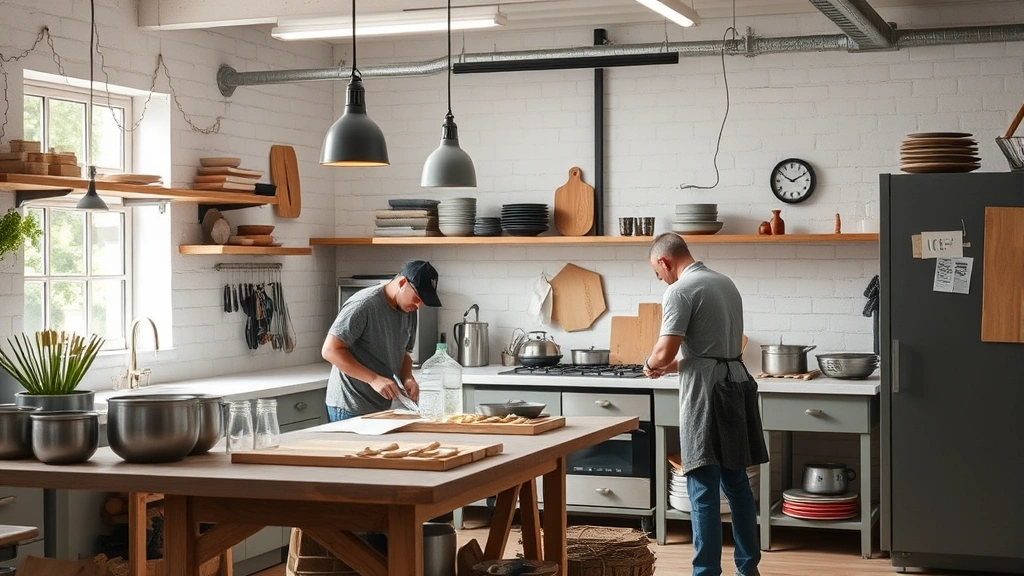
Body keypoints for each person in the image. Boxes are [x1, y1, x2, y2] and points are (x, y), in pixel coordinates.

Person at [642, 233, 769, 576]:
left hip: (706, 395)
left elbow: (664, 351)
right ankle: (748, 568)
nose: (660, 279)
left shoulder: (680, 290)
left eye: (657, 273)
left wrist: (652, 365)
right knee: (737, 482)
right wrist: (671, 367)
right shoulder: (724, 282)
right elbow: (711, 351)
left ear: (664, 262)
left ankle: (706, 573)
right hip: (735, 385)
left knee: (701, 486)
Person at [322, 260, 442, 422]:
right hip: (349, 406)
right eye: (417, 298)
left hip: (380, 408)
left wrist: (407, 378)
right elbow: (330, 351)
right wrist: (373, 379)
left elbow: (404, 352)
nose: (419, 305)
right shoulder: (364, 305)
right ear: (401, 283)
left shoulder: (409, 310)